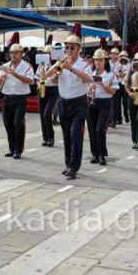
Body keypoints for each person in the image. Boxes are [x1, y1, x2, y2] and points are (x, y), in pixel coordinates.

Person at [46, 23, 92, 180]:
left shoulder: (84, 64)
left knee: (75, 134)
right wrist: (58, 67)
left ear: (79, 49)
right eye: (67, 47)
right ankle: (68, 164)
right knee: (66, 135)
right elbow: (47, 75)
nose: (69, 51)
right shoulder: (61, 62)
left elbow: (88, 79)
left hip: (79, 103)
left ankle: (74, 166)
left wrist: (71, 69)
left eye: (73, 48)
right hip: (64, 102)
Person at [0, 33, 34, 159]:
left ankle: (18, 149)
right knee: (8, 123)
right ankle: (11, 148)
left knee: (18, 123)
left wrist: (15, 74)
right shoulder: (5, 66)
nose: (13, 55)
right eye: (12, 53)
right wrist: (1, 79)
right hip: (7, 97)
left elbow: (30, 80)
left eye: (16, 53)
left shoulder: (26, 66)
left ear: (21, 54)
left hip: (20, 98)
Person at [86, 44, 117, 166]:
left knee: (100, 130)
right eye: (96, 60)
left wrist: (103, 85)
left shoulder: (110, 74)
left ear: (105, 61)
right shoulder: (91, 73)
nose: (97, 62)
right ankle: (95, 155)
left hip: (105, 103)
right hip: (92, 102)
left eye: (100, 60)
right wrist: (90, 87)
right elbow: (86, 89)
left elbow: (113, 91)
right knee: (92, 130)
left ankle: (103, 155)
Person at [36, 36, 58, 147]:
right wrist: (38, 83)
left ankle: (51, 137)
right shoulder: (41, 64)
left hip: (53, 90)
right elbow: (37, 77)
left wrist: (55, 79)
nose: (47, 55)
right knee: (42, 115)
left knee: (47, 113)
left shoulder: (57, 65)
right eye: (46, 53)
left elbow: (59, 78)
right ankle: (45, 137)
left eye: (49, 53)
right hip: (42, 90)